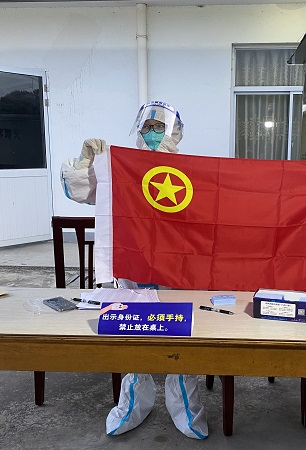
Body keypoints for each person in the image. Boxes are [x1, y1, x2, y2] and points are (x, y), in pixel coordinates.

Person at [60, 101, 208, 440]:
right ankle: (131, 407)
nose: (153, 133)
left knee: (180, 338)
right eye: (147, 127)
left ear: (175, 132)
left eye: (160, 127)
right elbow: (81, 191)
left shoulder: (193, 170)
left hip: (178, 270)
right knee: (134, 334)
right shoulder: (122, 167)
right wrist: (86, 161)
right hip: (132, 266)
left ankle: (186, 409)